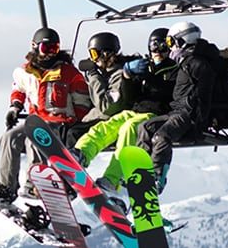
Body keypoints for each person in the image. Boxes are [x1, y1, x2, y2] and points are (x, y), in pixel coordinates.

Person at [0, 27, 91, 203]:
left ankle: (36, 183)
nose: (50, 54)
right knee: (9, 137)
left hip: (60, 123)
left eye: (54, 49)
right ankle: (7, 186)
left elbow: (82, 101)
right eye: (46, 49)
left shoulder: (68, 73)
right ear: (35, 47)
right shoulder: (25, 72)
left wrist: (76, 124)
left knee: (35, 135)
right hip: (35, 120)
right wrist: (15, 107)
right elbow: (18, 89)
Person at [70, 28, 178, 194]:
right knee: (106, 127)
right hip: (136, 110)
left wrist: (148, 79)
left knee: (129, 129)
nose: (157, 51)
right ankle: (81, 153)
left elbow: (170, 94)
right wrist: (128, 77)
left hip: (156, 114)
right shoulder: (146, 67)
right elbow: (130, 96)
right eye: (153, 47)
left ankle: (113, 179)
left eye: (163, 47)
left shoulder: (174, 70)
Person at [137, 21, 219, 194]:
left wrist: (198, 117)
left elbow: (204, 93)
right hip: (177, 111)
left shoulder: (198, 64)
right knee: (145, 127)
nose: (170, 48)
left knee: (161, 136)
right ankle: (142, 171)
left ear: (181, 41)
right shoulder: (186, 62)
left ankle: (157, 177)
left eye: (169, 43)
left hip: (189, 115)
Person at [64, 31, 139, 148]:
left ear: (106, 54)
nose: (92, 59)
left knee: (73, 134)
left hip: (110, 120)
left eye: (94, 54)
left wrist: (94, 76)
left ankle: (74, 162)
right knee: (64, 130)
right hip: (95, 118)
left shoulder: (119, 76)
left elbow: (107, 107)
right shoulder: (106, 74)